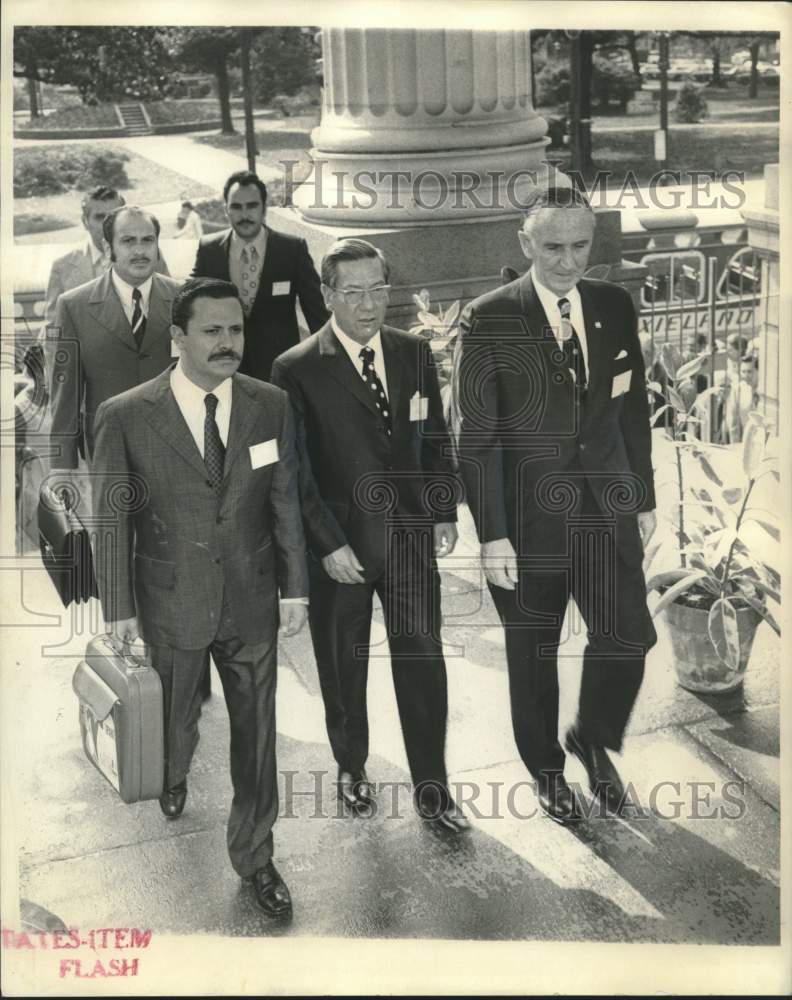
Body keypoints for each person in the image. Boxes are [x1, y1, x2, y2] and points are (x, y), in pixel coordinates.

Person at [91, 278, 308, 917]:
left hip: (250, 599)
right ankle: (174, 772)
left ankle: (257, 856)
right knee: (174, 723)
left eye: (235, 330)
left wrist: (294, 589)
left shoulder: (269, 404)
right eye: (212, 331)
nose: (227, 343)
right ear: (177, 337)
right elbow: (113, 522)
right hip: (170, 600)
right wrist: (119, 607)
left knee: (257, 735)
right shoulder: (126, 415)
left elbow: (284, 499)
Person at [455, 187, 657, 825]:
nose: (568, 262)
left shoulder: (613, 305)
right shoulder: (489, 319)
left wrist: (642, 495)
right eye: (553, 247)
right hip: (527, 525)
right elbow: (475, 440)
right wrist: (492, 535)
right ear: (525, 244)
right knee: (534, 654)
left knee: (627, 634)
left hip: (605, 508)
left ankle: (592, 738)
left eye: (580, 246)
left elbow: (632, 407)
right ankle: (546, 770)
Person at [271, 238, 469, 834]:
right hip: (342, 549)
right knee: (343, 664)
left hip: (408, 541)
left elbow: (434, 435)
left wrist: (444, 510)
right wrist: (327, 545)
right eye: (352, 292)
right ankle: (352, 767)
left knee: (424, 660)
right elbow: (294, 469)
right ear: (327, 295)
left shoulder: (411, 353)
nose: (367, 304)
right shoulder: (297, 368)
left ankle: (432, 786)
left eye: (377, 289)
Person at [49, 207, 179, 472]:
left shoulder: (184, 298)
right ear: (109, 248)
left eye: (148, 240)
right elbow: (66, 394)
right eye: (128, 241)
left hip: (177, 448)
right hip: (108, 449)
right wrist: (62, 466)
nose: (140, 251)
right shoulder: (74, 306)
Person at [191, 171, 328, 382]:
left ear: (264, 208)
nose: (245, 215)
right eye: (236, 207)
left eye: (252, 206)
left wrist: (328, 363)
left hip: (280, 371)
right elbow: (191, 306)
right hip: (226, 370)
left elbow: (317, 312)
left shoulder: (292, 250)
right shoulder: (209, 250)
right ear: (225, 209)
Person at [40, 187, 169, 387]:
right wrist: (59, 384)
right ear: (84, 221)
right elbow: (53, 334)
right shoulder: (63, 267)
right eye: (100, 217)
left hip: (146, 381)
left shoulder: (150, 257)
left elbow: (169, 317)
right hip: (90, 384)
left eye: (115, 215)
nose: (108, 224)